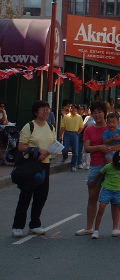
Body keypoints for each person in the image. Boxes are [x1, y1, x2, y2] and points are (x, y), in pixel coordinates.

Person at [75, 101, 120, 236]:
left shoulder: (114, 127)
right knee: (92, 196)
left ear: (105, 113)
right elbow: (87, 148)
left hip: (114, 166)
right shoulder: (89, 130)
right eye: (94, 112)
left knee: (115, 197)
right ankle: (89, 227)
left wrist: (110, 148)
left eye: (99, 112)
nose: (97, 115)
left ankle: (116, 227)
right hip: (96, 165)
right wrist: (99, 147)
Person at [12, 100, 57, 237]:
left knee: (41, 195)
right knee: (26, 195)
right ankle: (18, 226)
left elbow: (53, 143)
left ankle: (35, 224)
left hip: (45, 163)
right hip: (31, 164)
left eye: (47, 109)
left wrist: (47, 153)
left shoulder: (51, 127)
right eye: (42, 109)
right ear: (36, 112)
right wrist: (36, 151)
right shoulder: (29, 126)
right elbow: (21, 146)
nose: (45, 112)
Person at [90, 151, 120, 239]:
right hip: (107, 190)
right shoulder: (108, 167)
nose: (119, 168)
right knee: (101, 209)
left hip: (117, 191)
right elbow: (100, 174)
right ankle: (96, 230)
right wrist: (94, 183)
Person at [60, 104, 84, 171]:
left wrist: (78, 133)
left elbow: (81, 127)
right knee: (65, 149)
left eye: (73, 108)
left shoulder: (79, 117)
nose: (72, 109)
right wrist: (60, 135)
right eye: (71, 108)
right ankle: (65, 157)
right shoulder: (66, 117)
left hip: (74, 134)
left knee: (75, 151)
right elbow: (62, 127)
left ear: (76, 109)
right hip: (67, 133)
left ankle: (73, 165)